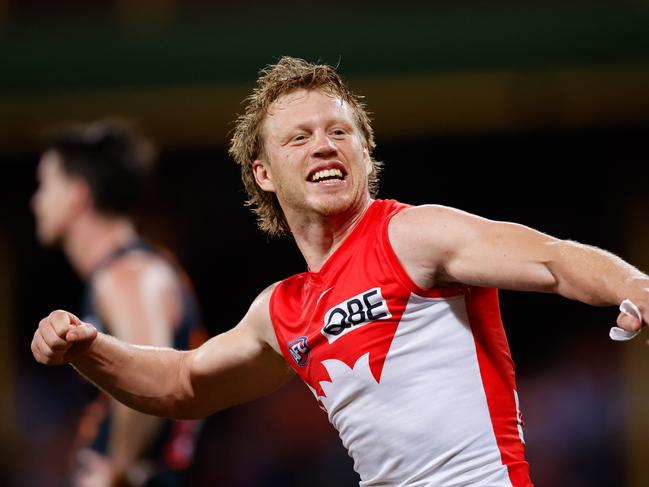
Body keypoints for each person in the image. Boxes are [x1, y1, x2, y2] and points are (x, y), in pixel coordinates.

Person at [31, 58, 648, 487]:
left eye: (340, 132)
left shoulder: (411, 235)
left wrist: (632, 284)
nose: (325, 145)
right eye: (299, 138)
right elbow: (186, 385)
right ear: (264, 174)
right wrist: (90, 350)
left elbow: (553, 258)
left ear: (364, 151)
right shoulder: (282, 310)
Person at [31, 120, 206, 487]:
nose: (36, 201)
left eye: (45, 185)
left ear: (78, 194)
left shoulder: (128, 274)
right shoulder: (131, 268)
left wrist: (118, 471)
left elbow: (152, 379)